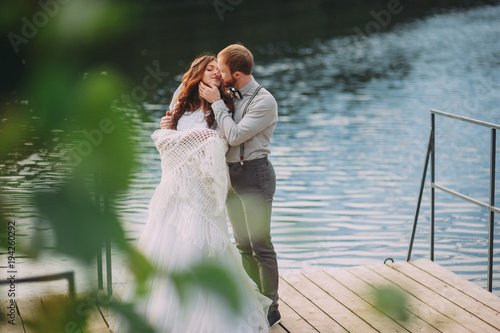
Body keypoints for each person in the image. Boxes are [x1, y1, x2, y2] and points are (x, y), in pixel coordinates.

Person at [113, 54, 271, 333]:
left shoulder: (224, 106)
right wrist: (172, 134)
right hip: (176, 191)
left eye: (218, 71)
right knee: (167, 249)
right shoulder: (180, 106)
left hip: (203, 192)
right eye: (209, 69)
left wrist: (183, 137)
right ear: (197, 74)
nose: (216, 74)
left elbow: (220, 141)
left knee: (209, 247)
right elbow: (163, 143)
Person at [195, 44, 281, 327]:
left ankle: (272, 307)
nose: (218, 73)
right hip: (230, 177)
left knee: (260, 245)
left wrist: (217, 101)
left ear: (238, 73)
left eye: (221, 68)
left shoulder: (263, 101)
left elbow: (233, 135)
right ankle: (255, 301)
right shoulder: (231, 95)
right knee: (243, 245)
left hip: (255, 176)